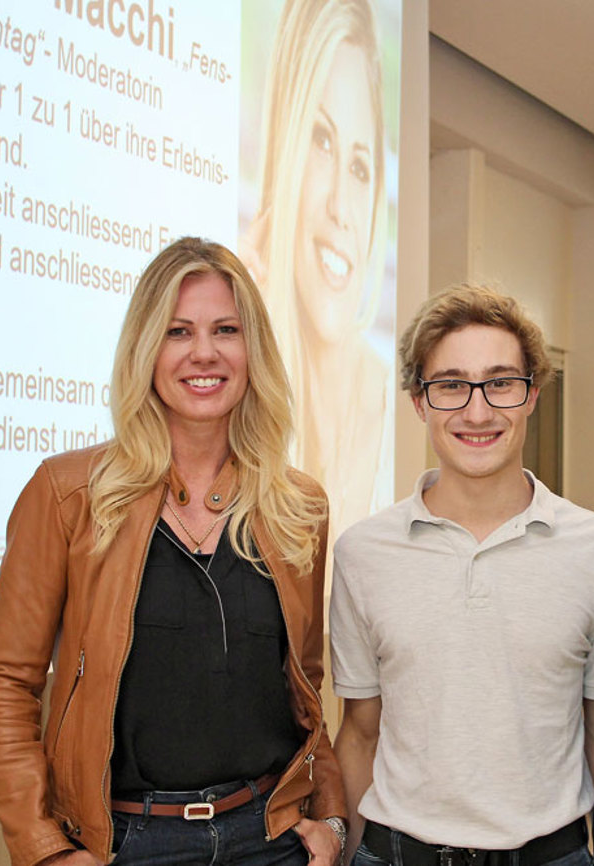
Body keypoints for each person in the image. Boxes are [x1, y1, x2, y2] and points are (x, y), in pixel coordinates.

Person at [0, 238, 346, 866]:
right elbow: (6, 683)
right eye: (178, 332)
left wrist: (330, 819)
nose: (205, 352)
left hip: (269, 838)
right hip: (127, 844)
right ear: (147, 349)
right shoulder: (68, 496)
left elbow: (305, 686)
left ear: (253, 351)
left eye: (226, 329)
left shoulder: (297, 506)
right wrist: (44, 850)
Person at [329, 285, 594, 865]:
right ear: (418, 401)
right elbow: (360, 734)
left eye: (501, 383)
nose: (478, 411)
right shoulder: (363, 552)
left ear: (532, 394)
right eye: (451, 385)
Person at [242, 0, 393, 542]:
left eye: (358, 167)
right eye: (322, 141)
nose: (340, 208)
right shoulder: (237, 411)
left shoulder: (405, 413)